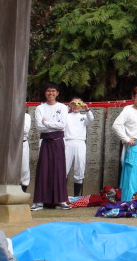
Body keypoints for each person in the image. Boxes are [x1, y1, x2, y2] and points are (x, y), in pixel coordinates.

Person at [31, 82, 71, 211]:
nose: (51, 93)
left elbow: (62, 125)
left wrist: (47, 122)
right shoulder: (40, 108)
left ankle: (61, 200)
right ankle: (39, 201)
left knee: (59, 170)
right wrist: (52, 124)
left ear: (57, 93)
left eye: (53, 91)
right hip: (46, 141)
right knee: (44, 169)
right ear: (45, 93)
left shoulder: (63, 107)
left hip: (58, 140)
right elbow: (39, 126)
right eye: (48, 91)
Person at [64, 97, 94, 196]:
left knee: (80, 168)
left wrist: (87, 108)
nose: (76, 105)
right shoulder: (66, 116)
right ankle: (62, 195)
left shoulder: (84, 116)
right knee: (64, 168)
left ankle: (77, 196)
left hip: (80, 143)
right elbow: (59, 114)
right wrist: (68, 105)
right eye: (74, 104)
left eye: (78, 104)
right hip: (68, 142)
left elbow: (91, 119)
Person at [21, 112, 31, 192]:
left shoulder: (26, 116)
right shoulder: (6, 115)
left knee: (24, 169)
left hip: (23, 143)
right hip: (9, 144)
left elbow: (25, 130)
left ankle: (23, 192)